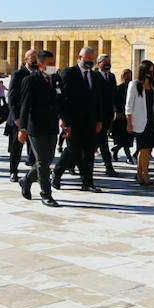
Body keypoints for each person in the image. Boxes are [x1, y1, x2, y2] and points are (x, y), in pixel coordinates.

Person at [52, 47, 104, 192]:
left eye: (91, 59)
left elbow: (98, 100)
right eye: (86, 58)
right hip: (73, 119)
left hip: (90, 120)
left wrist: (99, 120)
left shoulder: (94, 76)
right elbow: (62, 98)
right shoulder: (69, 73)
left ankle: (87, 181)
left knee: (88, 151)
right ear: (79, 57)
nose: (89, 61)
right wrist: (63, 118)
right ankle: (56, 173)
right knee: (72, 149)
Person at [17, 50, 61, 207]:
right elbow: (25, 106)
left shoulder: (56, 79)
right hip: (36, 126)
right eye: (50, 63)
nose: (53, 66)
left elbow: (60, 102)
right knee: (42, 161)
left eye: (54, 62)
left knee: (47, 160)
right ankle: (46, 194)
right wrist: (22, 128)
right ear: (40, 64)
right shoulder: (30, 81)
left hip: (52, 126)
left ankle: (26, 180)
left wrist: (65, 121)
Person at [125, 60, 154, 186]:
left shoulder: (153, 86)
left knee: (145, 149)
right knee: (144, 148)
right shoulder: (134, 84)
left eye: (152, 70)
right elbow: (128, 105)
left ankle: (140, 175)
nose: (150, 73)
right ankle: (145, 176)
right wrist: (129, 122)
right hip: (140, 121)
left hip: (151, 121)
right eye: (148, 70)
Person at [6, 50, 38, 182]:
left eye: (37, 58)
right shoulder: (18, 74)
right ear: (26, 59)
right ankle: (13, 171)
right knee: (16, 146)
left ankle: (35, 173)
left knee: (36, 147)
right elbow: (12, 96)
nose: (35, 60)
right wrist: (16, 117)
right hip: (20, 117)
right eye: (33, 58)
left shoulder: (40, 74)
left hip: (35, 117)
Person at [94, 54, 120, 178]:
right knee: (102, 142)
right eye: (104, 62)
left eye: (108, 62)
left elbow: (114, 95)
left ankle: (71, 164)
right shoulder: (94, 76)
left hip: (108, 115)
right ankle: (109, 167)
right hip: (97, 115)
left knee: (98, 142)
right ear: (98, 63)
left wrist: (117, 110)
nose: (107, 64)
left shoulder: (112, 76)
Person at [111, 69, 135, 164]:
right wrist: (117, 112)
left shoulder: (132, 88)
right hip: (121, 116)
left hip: (129, 116)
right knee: (124, 138)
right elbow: (115, 101)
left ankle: (116, 149)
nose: (128, 78)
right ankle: (128, 157)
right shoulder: (119, 88)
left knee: (128, 139)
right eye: (126, 76)